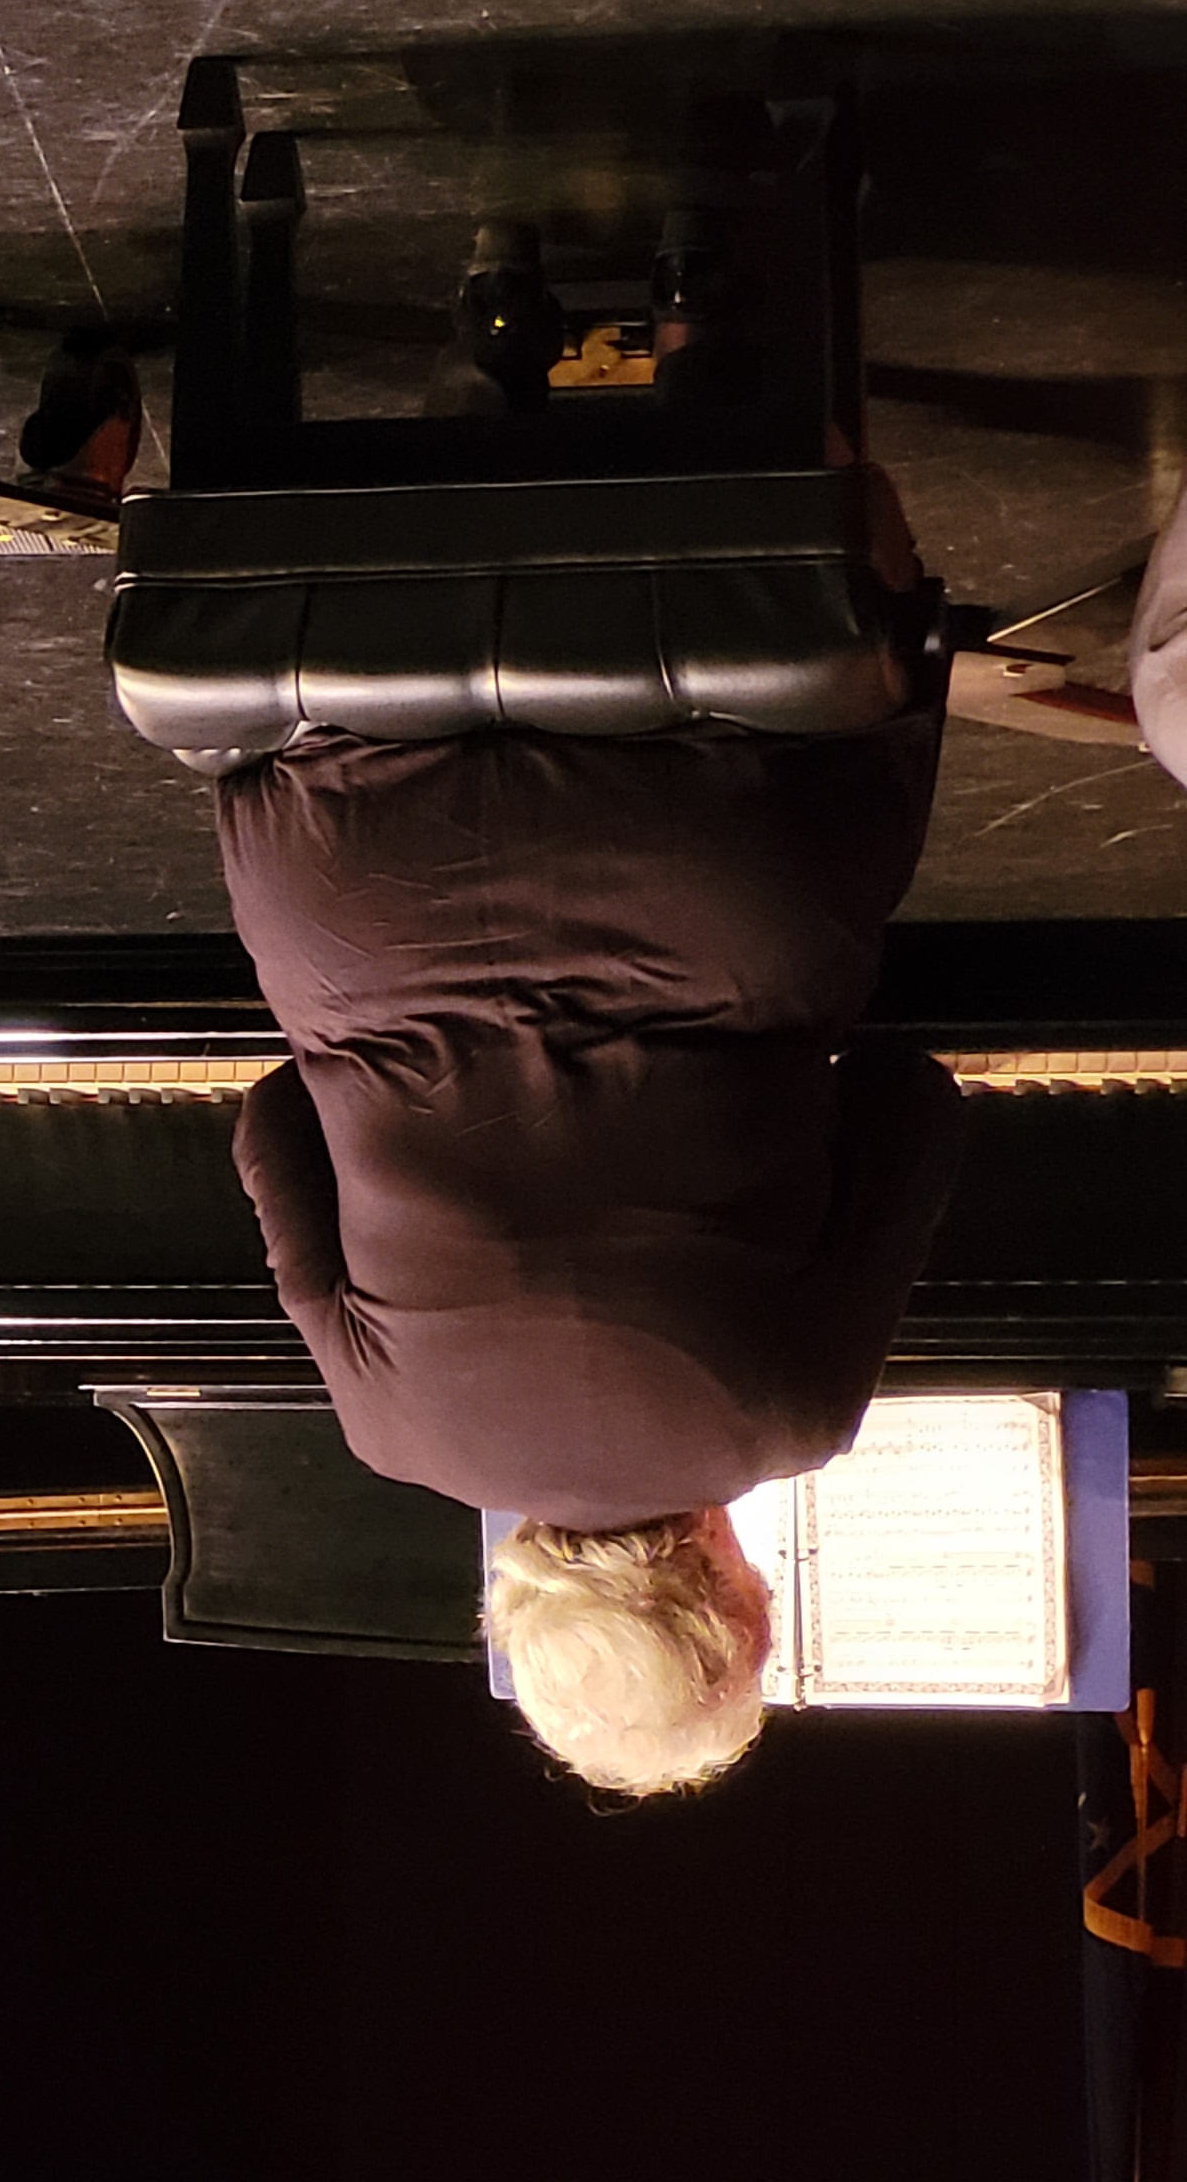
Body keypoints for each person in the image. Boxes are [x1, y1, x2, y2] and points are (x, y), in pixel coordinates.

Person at [218, 463, 963, 1798]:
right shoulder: (394, 1437)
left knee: (869, 713)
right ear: (514, 1612)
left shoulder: (788, 1421)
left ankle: (757, 456)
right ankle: (407, 481)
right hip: (352, 880)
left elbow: (916, 1099)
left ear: (735, 1599)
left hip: (715, 866)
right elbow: (272, 1117)